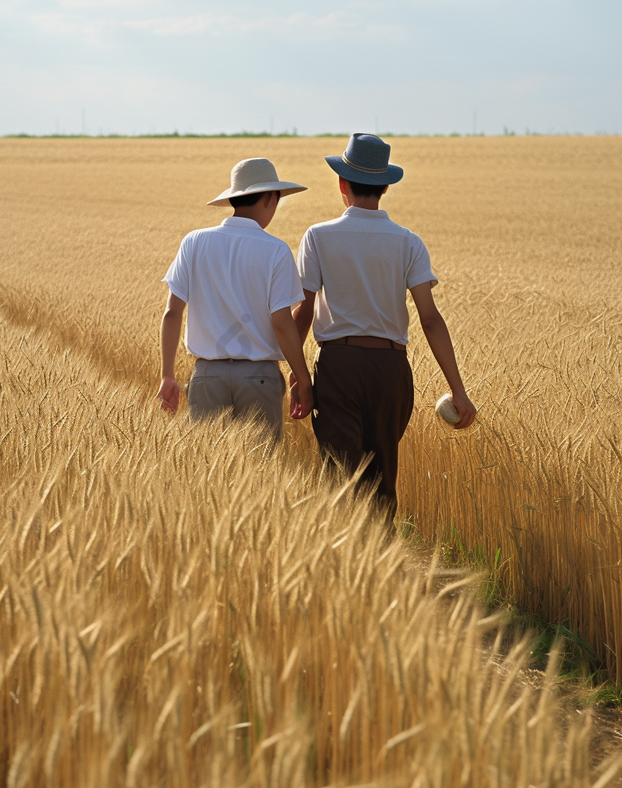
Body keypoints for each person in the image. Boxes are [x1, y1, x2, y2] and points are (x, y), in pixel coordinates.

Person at [292, 132, 476, 514]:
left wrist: (297, 373)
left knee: (342, 484)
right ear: (386, 187)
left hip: (339, 367)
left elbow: (304, 311)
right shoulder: (408, 242)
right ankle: (383, 559)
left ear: (342, 183)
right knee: (381, 484)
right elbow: (430, 319)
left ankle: (348, 565)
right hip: (391, 370)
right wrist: (458, 389)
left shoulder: (318, 237)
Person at [157, 157, 314, 438]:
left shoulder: (193, 242)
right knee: (261, 474)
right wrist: (302, 377)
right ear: (269, 199)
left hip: (207, 376)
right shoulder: (276, 251)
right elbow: (281, 321)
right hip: (260, 378)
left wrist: (167, 374)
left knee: (206, 473)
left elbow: (172, 312)